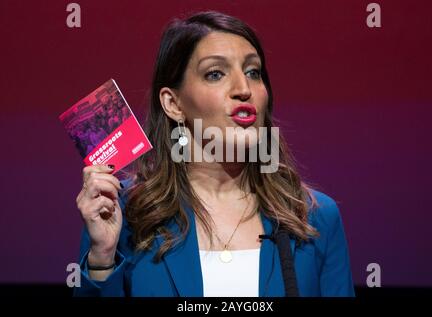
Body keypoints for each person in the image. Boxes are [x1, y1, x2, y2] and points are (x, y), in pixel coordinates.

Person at [74, 11, 354, 297]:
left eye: (253, 72)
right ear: (173, 104)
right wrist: (102, 259)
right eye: (215, 74)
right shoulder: (126, 214)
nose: (243, 89)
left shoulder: (315, 217)